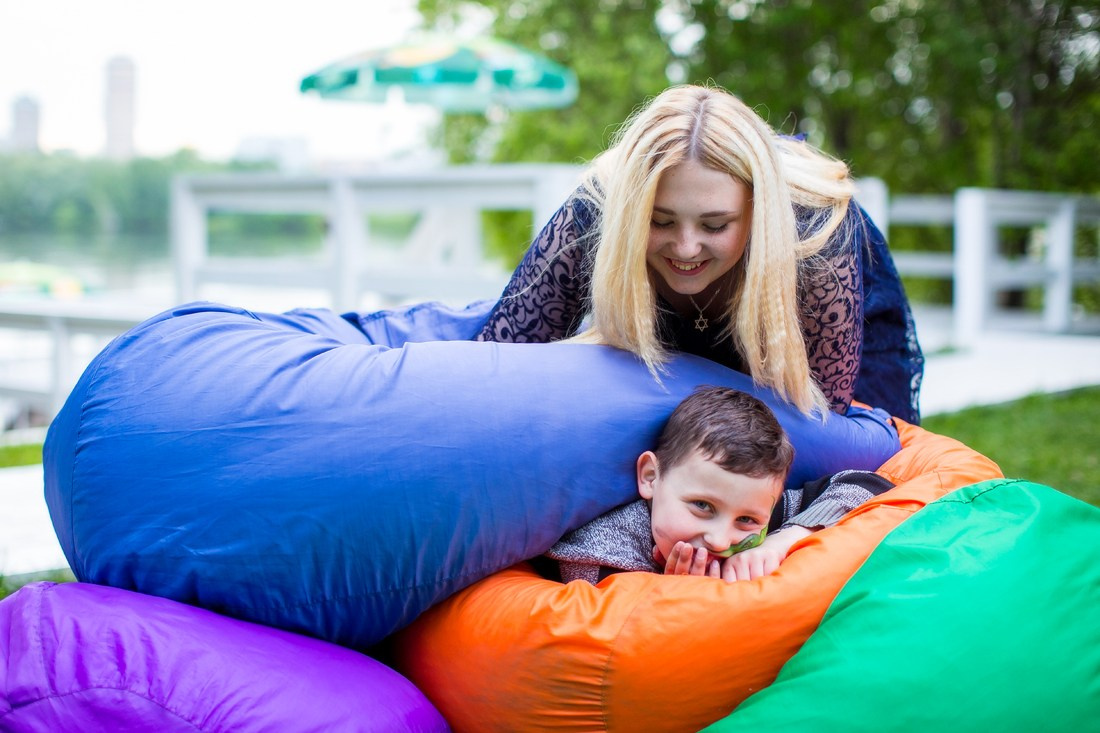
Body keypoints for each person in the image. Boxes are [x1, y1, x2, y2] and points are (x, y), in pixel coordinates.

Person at [476, 84, 924, 423]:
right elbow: (497, 358)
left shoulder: (813, 236)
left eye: (715, 225)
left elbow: (821, 428)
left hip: (814, 346)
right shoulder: (597, 208)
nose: (686, 248)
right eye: (659, 221)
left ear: (756, 212)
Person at [543, 386, 895, 585]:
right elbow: (609, 639)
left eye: (747, 520)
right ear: (651, 477)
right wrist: (676, 592)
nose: (720, 540)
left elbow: (868, 485)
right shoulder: (603, 548)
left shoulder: (758, 517)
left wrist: (783, 538)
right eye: (702, 506)